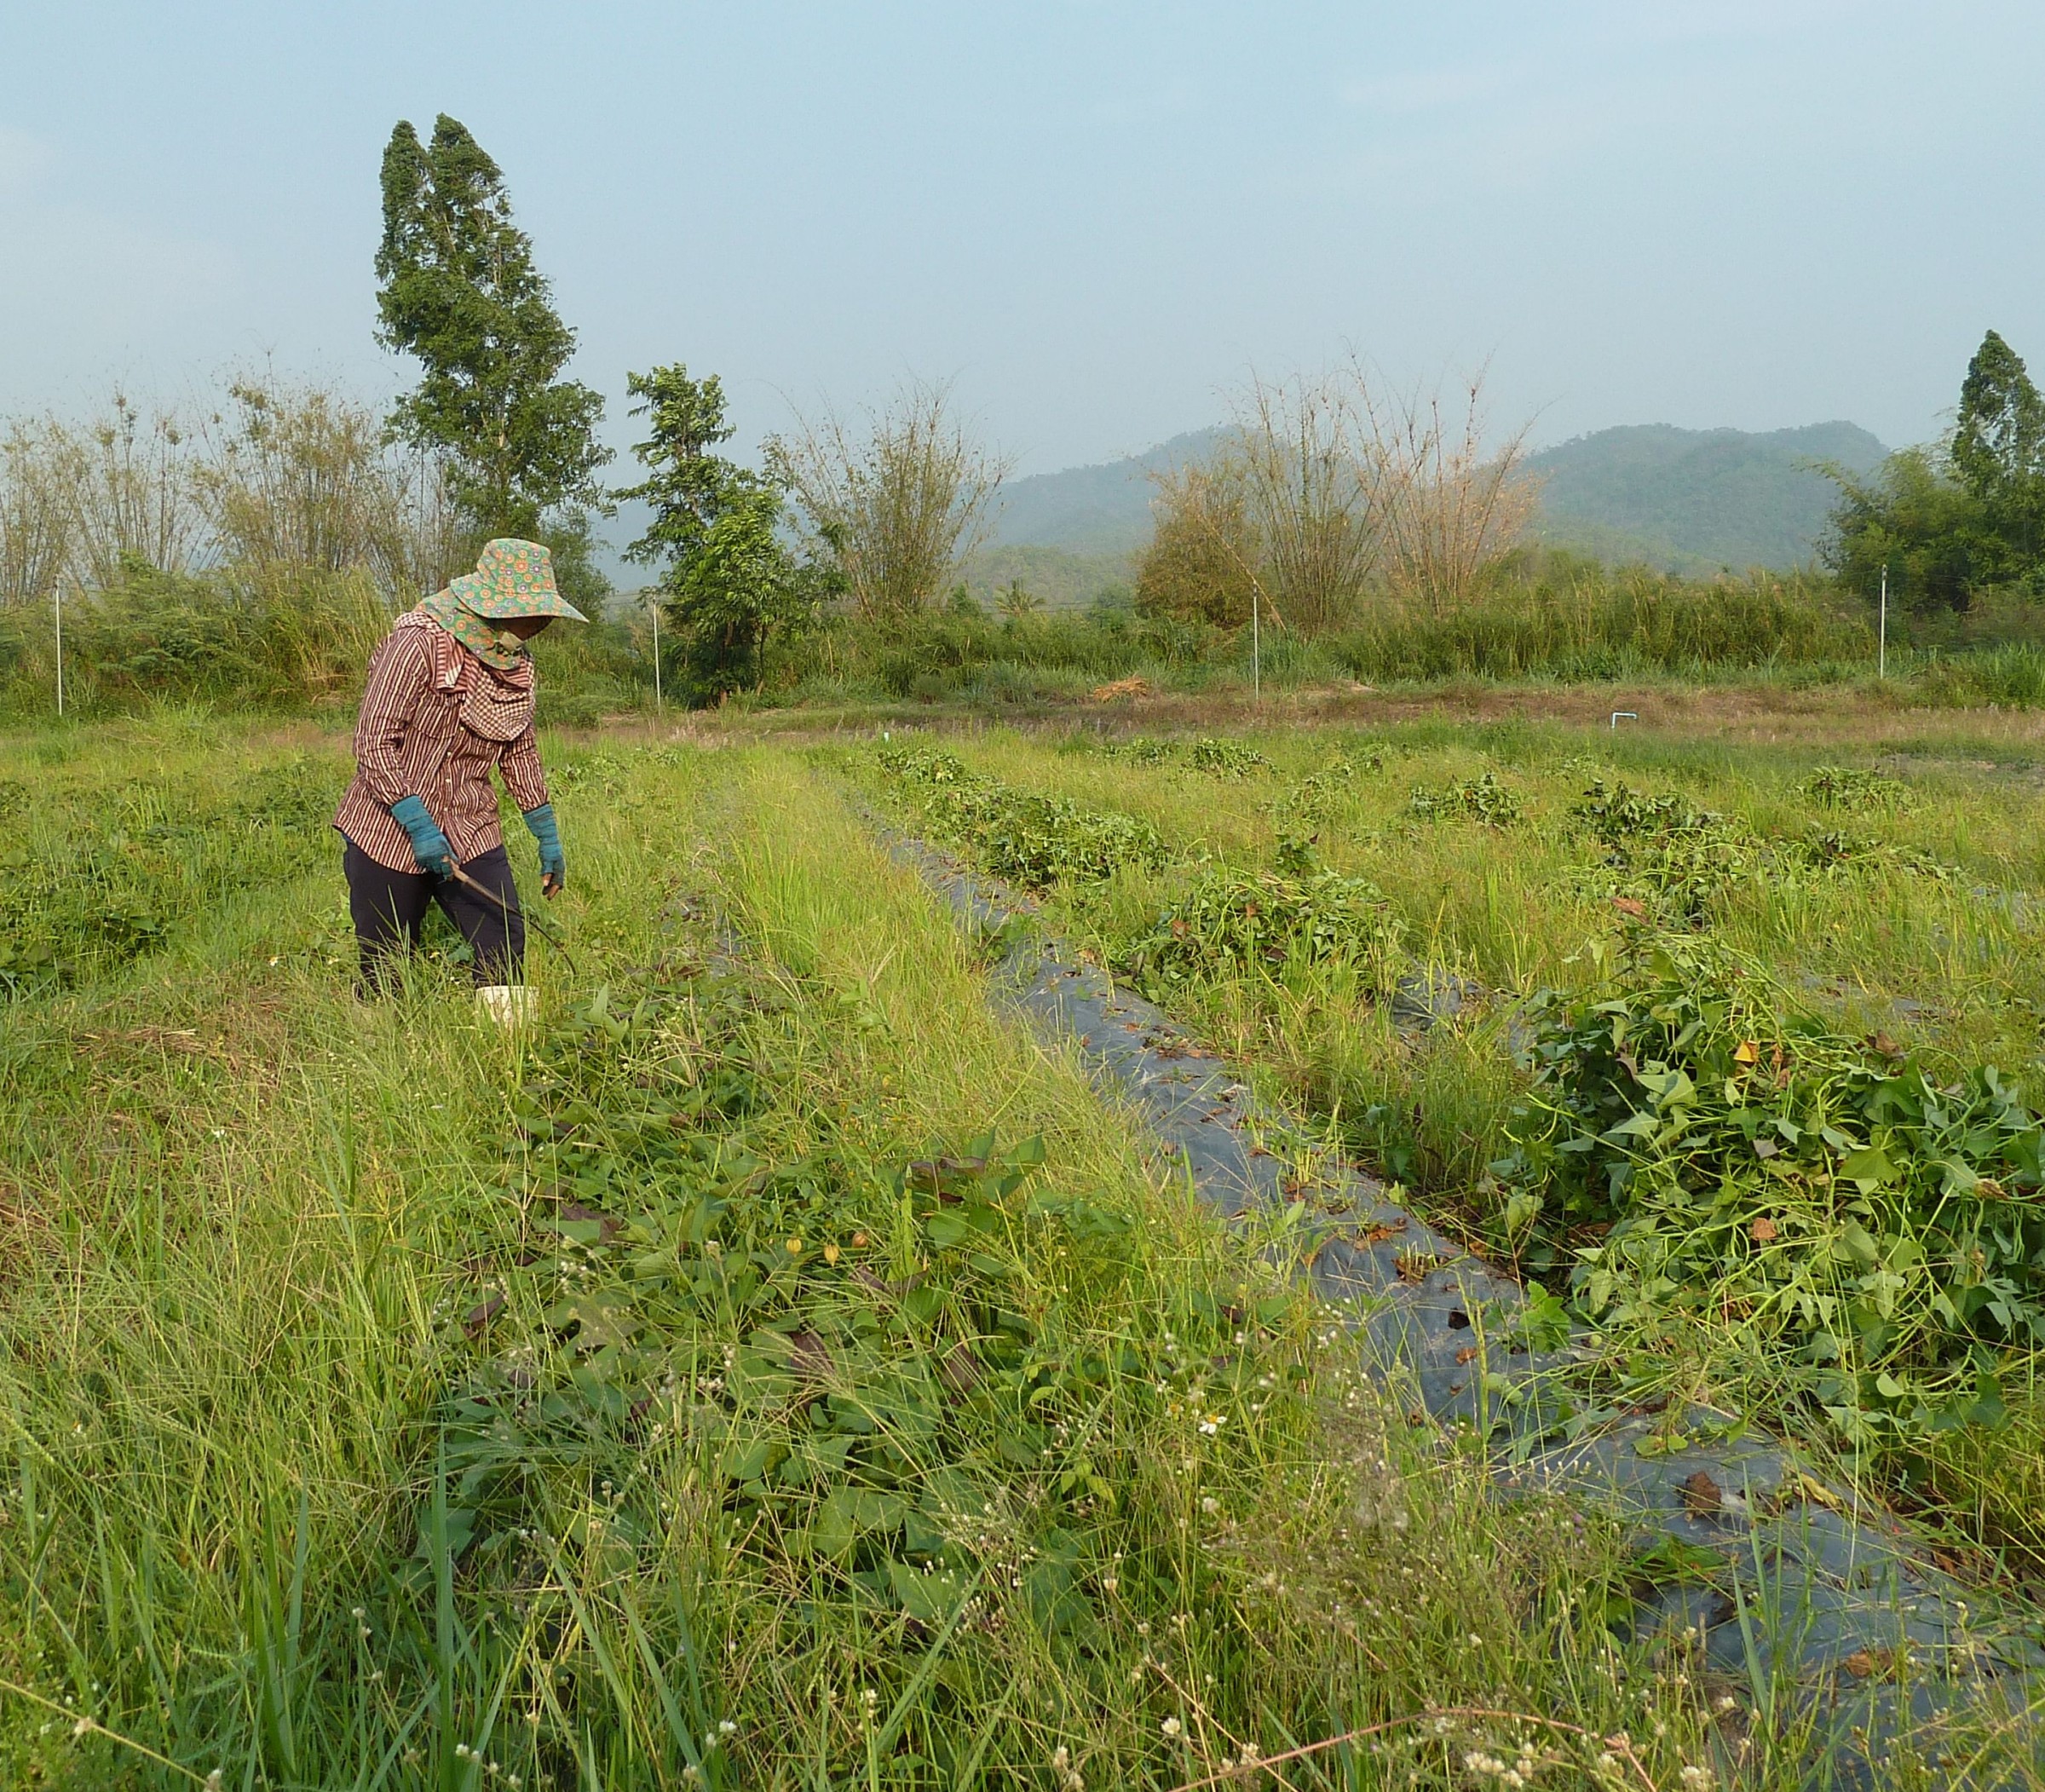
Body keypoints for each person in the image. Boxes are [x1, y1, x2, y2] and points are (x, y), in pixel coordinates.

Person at [332, 537, 584, 998]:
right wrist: (417, 824)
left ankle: (505, 1054)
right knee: (387, 961)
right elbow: (373, 741)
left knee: (503, 941)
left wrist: (545, 831)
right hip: (387, 830)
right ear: (495, 607)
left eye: (542, 617)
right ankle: (382, 1051)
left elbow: (520, 749)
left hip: (471, 825)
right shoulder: (419, 644)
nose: (538, 626)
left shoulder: (515, 664)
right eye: (532, 616)